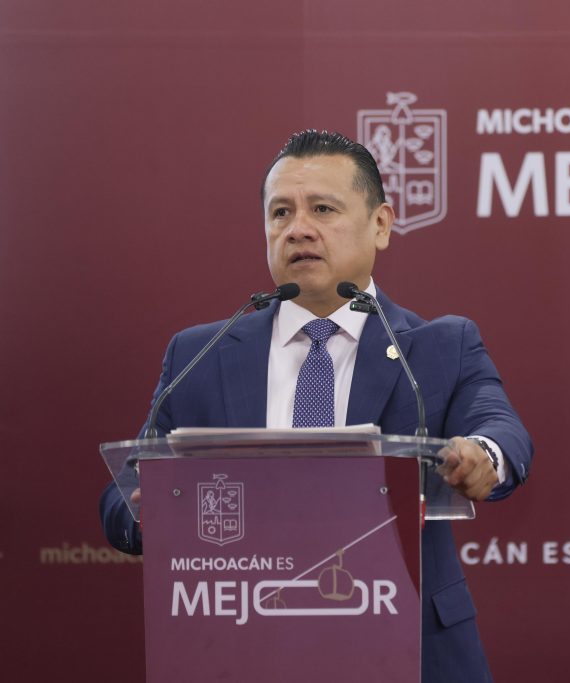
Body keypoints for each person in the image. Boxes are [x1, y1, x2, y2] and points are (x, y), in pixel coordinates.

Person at [99, 129, 533, 682]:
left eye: (323, 209)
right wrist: (151, 514)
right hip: (243, 648)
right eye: (280, 212)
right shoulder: (201, 354)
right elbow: (123, 493)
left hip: (409, 647)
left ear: (381, 224)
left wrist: (482, 456)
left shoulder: (440, 347)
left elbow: (501, 429)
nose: (298, 228)